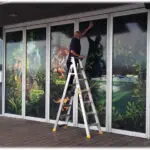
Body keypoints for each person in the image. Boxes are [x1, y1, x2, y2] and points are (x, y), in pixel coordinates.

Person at [66, 22, 94, 92]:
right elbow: (72, 51)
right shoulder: (74, 40)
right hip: (71, 61)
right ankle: (68, 89)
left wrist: (89, 28)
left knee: (73, 76)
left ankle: (70, 89)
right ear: (77, 36)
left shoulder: (77, 39)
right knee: (71, 77)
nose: (80, 36)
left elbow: (83, 33)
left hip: (74, 60)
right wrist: (79, 56)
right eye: (79, 36)